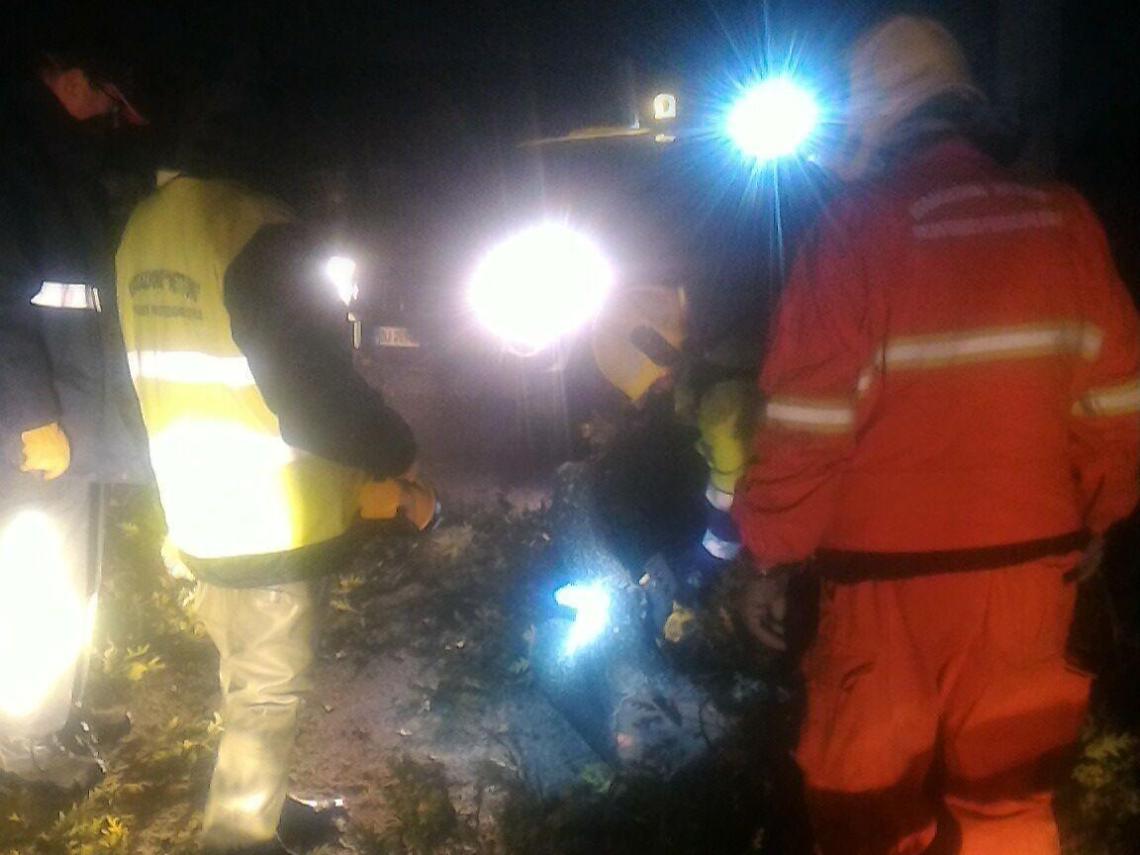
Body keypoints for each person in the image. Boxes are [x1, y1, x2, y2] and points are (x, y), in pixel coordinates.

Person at [734, 15, 1140, 854]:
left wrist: (769, 558)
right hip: (1030, 584)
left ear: (866, 124)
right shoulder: (1067, 223)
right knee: (1010, 802)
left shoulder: (853, 232)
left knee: (870, 813)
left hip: (886, 596)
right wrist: (1098, 518)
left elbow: (804, 428)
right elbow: (1120, 405)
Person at [115, 122, 432, 853]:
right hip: (268, 513)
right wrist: (394, 448)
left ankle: (260, 797)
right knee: (266, 692)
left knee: (245, 678)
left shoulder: (145, 227)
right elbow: (313, 388)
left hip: (197, 502)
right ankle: (237, 836)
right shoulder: (257, 227)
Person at [0, 19, 149, 789]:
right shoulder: (18, 154)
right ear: (66, 73)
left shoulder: (59, 156)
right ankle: (22, 745)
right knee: (33, 579)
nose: (105, 115)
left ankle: (62, 711)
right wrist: (31, 418)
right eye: (103, 96)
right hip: (35, 425)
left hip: (71, 415)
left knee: (72, 575)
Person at [592, 285, 760, 636]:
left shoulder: (722, 409)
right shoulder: (727, 371)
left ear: (659, 353)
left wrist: (701, 568)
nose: (653, 397)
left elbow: (729, 499)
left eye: (653, 387)